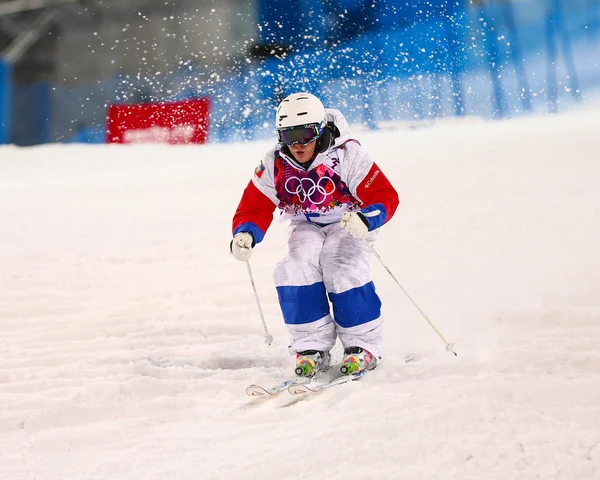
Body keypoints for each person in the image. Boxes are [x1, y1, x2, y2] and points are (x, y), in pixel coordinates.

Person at [230, 92, 399, 377]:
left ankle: (363, 344)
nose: (297, 145)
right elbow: (254, 205)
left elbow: (384, 195)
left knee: (339, 263)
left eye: (305, 134)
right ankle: (310, 345)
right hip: (305, 223)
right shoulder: (274, 162)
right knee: (295, 266)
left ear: (320, 130)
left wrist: (366, 218)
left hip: (347, 221)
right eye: (288, 136)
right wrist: (245, 232)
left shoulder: (347, 154)